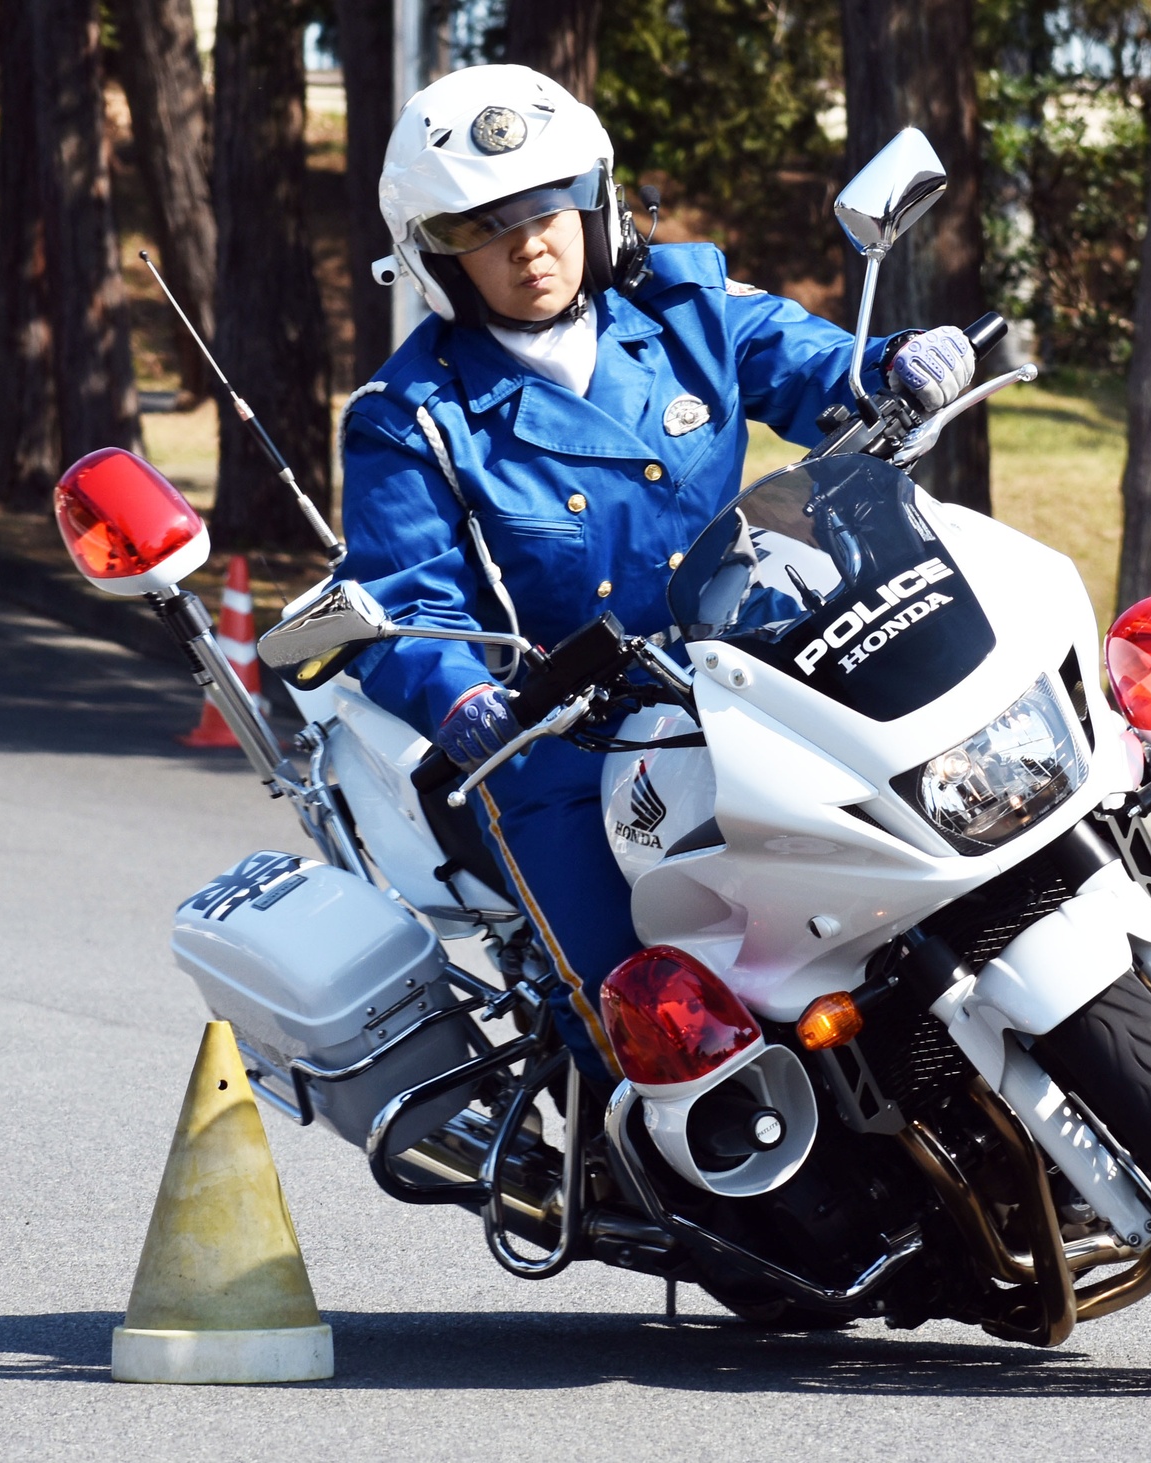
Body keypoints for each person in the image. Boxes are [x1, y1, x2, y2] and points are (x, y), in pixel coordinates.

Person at [338, 65, 977, 1077]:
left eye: (545, 205)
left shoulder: (688, 306)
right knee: (652, 1025)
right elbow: (407, 599)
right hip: (568, 741)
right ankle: (668, 1167)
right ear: (433, 257)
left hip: (763, 672)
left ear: (594, 203)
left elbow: (817, 368)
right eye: (475, 227)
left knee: (952, 842)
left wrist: (897, 362)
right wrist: (457, 694)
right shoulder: (409, 412)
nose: (525, 243)